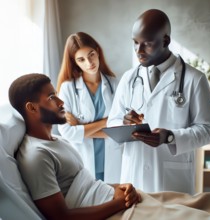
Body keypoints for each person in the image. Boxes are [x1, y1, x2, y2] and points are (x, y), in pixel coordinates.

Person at [107, 9, 210, 194]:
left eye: (147, 44)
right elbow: (112, 124)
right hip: (133, 179)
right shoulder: (129, 78)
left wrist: (170, 137)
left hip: (171, 183)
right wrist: (124, 123)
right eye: (135, 43)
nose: (139, 51)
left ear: (165, 41)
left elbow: (209, 129)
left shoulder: (194, 79)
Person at [8, 73, 141, 220]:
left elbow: (87, 185)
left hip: (112, 202)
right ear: (32, 108)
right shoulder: (36, 155)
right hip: (114, 212)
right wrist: (119, 203)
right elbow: (61, 217)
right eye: (52, 97)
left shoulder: (58, 141)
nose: (61, 102)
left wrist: (119, 187)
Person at [56, 32, 122, 182]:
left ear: (98, 52)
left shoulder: (115, 84)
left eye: (91, 55)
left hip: (113, 159)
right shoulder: (68, 88)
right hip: (83, 160)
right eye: (81, 59)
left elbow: (122, 129)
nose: (89, 63)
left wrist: (80, 128)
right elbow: (66, 133)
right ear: (75, 62)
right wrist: (107, 122)